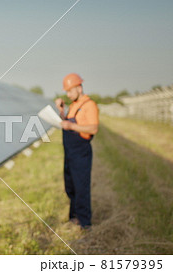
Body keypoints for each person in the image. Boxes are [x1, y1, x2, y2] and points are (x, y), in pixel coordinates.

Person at [55, 73, 99, 230]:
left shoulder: (89, 105)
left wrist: (72, 126)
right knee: (71, 186)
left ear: (79, 88)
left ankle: (85, 222)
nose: (68, 94)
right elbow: (68, 122)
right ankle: (74, 217)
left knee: (81, 187)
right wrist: (61, 112)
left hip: (81, 152)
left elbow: (93, 127)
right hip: (70, 153)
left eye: (70, 91)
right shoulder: (73, 106)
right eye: (67, 91)